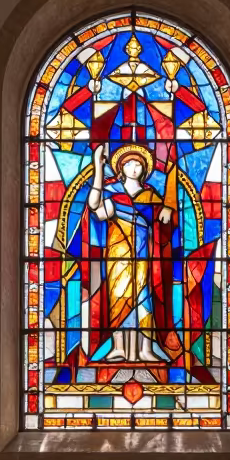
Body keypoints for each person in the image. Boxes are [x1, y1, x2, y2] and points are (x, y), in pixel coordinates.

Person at [87, 143, 174, 363]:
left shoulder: (151, 196)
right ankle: (119, 347)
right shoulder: (114, 194)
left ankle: (145, 349)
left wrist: (167, 209)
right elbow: (96, 208)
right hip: (118, 256)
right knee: (119, 296)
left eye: (138, 164)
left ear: (144, 169)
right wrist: (98, 168)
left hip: (143, 254)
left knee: (143, 297)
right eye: (128, 164)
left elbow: (164, 225)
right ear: (120, 168)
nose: (133, 168)